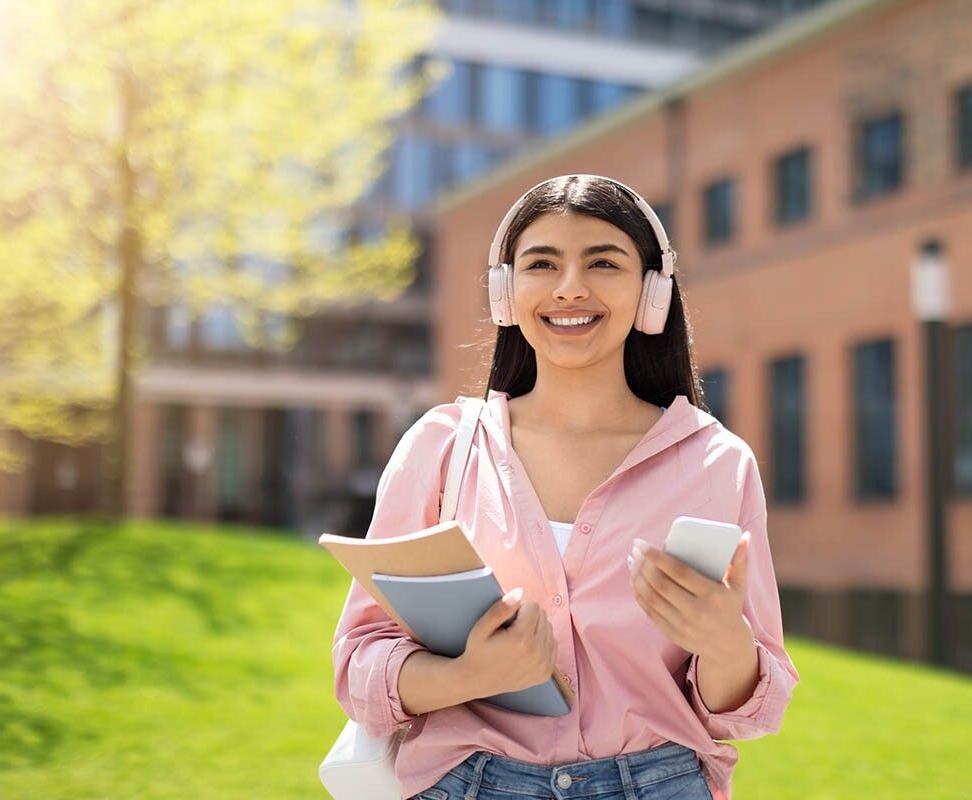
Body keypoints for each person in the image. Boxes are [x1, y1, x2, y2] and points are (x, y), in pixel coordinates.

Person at [331, 174, 799, 800]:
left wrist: (724, 644)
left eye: (603, 263)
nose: (569, 287)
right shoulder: (443, 447)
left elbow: (745, 712)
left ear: (651, 292)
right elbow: (359, 663)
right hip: (467, 783)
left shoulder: (717, 462)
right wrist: (467, 675)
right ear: (506, 291)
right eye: (541, 264)